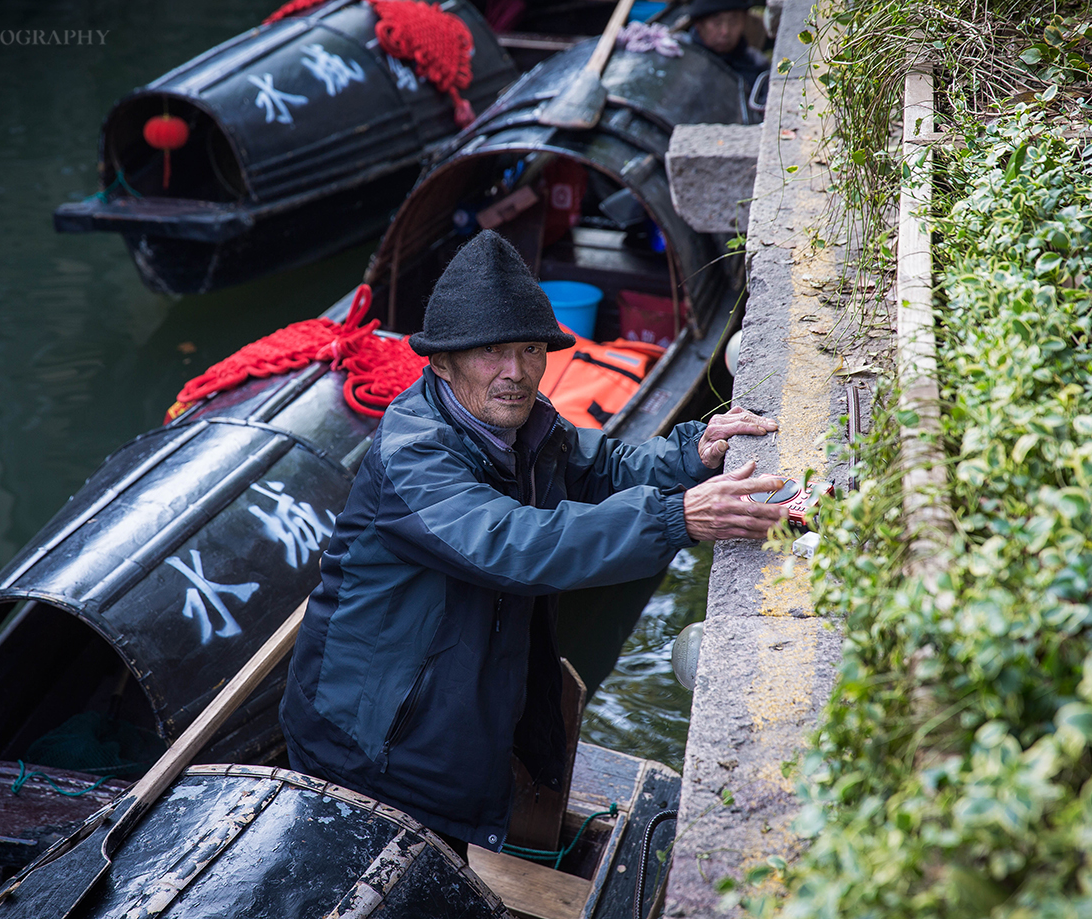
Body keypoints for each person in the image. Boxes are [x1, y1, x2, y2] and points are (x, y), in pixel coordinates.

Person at [279, 231, 786, 858]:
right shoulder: (411, 457)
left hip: (445, 729)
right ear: (441, 361)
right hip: (372, 746)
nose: (515, 372)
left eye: (528, 349)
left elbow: (603, 467)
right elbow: (513, 544)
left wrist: (691, 454)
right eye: (491, 352)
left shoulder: (527, 424)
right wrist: (675, 516)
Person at [680, 0, 769, 88]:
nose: (725, 31)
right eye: (717, 23)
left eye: (733, 22)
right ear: (699, 24)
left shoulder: (757, 66)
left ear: (744, 21)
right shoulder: (678, 54)